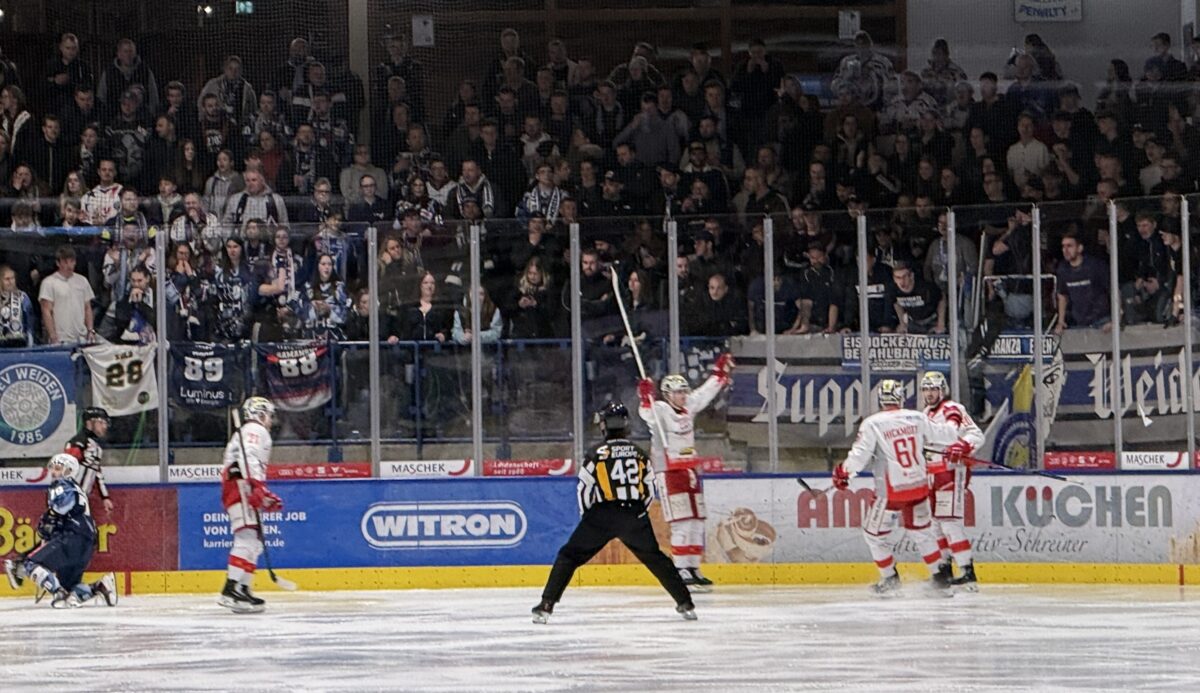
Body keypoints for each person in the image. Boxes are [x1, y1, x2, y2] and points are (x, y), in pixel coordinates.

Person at [532, 402, 697, 624]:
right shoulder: (639, 454)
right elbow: (650, 488)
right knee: (656, 559)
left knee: (568, 556)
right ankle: (685, 603)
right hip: (634, 513)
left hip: (601, 515)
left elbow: (584, 489)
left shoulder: (595, 454)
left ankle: (546, 605)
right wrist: (639, 513)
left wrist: (589, 518)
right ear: (626, 424)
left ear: (604, 426)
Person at [832, 379, 968, 596]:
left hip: (891, 492)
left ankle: (889, 577)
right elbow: (948, 435)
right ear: (902, 396)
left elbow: (860, 456)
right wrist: (953, 418)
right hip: (919, 487)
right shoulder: (917, 417)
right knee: (922, 532)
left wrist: (843, 472)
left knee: (873, 534)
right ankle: (939, 576)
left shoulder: (873, 423)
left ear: (880, 399)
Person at [636, 353, 734, 590]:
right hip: (669, 472)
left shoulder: (688, 406)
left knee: (697, 521)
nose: (682, 396)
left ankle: (694, 567)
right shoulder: (660, 410)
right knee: (681, 522)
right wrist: (644, 397)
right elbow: (646, 414)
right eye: (677, 392)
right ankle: (680, 569)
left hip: (689, 470)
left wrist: (719, 374)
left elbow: (704, 393)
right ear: (667, 394)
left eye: (683, 391)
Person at [3, 454, 118, 608]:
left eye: (58, 469)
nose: (53, 472)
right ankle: (101, 586)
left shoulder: (62, 486)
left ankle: (58, 593)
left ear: (69, 471)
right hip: (86, 543)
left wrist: (49, 519)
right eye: (53, 468)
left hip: (71, 537)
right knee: (71, 589)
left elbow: (61, 508)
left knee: (30, 564)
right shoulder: (76, 488)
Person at [919, 371, 985, 590]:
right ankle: (945, 570)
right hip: (931, 475)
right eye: (926, 389)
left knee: (949, 523)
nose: (929, 394)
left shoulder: (953, 409)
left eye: (933, 389)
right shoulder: (925, 413)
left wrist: (962, 446)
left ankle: (967, 572)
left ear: (942, 390)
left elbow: (976, 435)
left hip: (951, 472)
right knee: (936, 525)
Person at [219, 397, 282, 614]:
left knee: (254, 541)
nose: (271, 421)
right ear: (260, 413)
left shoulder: (247, 430)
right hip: (240, 485)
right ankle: (230, 589)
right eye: (269, 415)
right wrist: (256, 486)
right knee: (246, 537)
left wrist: (260, 492)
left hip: (241, 484)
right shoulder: (254, 429)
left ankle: (243, 587)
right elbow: (250, 458)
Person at [63, 407, 114, 516]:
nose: (104, 427)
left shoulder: (96, 447)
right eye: (101, 422)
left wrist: (105, 497)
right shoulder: (78, 442)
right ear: (90, 423)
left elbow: (97, 474)